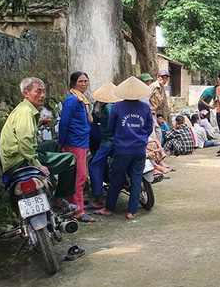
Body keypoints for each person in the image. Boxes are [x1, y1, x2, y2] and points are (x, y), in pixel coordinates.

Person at [0, 77, 78, 214]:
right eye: (38, 91)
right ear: (26, 93)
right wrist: (37, 164)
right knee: (70, 160)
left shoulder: (25, 109)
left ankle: (50, 184)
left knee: (52, 144)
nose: (42, 95)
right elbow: (25, 143)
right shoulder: (26, 113)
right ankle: (59, 200)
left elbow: (25, 130)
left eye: (44, 91)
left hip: (15, 158)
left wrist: (41, 121)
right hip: (21, 161)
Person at [95, 76, 153, 220]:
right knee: (136, 179)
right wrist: (140, 136)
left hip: (122, 149)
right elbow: (149, 128)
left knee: (116, 179)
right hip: (140, 149)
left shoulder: (117, 106)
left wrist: (122, 135)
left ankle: (109, 209)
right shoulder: (145, 107)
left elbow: (110, 127)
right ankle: (132, 212)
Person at [58, 71, 95, 223]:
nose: (84, 84)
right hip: (74, 143)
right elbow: (64, 123)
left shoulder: (81, 99)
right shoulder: (72, 100)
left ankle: (67, 204)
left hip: (81, 142)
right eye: (81, 81)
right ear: (73, 84)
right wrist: (61, 143)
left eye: (86, 81)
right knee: (78, 177)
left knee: (77, 176)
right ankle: (78, 211)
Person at [88, 82, 122, 210]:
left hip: (109, 141)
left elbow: (97, 122)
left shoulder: (107, 107)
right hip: (122, 142)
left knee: (94, 166)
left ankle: (98, 199)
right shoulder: (118, 105)